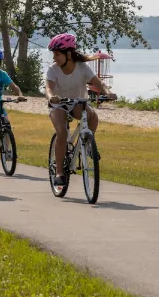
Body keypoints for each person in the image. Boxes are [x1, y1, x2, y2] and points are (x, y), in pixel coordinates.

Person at [46, 33, 112, 187]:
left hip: (77, 102)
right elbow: (48, 88)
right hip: (58, 104)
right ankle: (60, 172)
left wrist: (108, 93)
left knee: (93, 117)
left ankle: (87, 144)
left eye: (57, 54)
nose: (54, 57)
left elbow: (98, 83)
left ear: (68, 54)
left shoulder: (82, 67)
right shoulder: (53, 70)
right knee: (62, 132)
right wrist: (51, 97)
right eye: (53, 54)